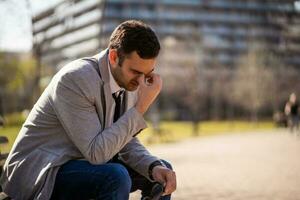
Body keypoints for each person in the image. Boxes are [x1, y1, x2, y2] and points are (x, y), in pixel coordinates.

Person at [0, 20, 176, 200]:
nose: (141, 82)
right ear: (114, 57)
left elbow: (124, 139)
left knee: (161, 173)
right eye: (135, 72)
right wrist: (139, 109)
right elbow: (96, 154)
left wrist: (153, 166)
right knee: (115, 177)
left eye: (147, 74)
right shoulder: (76, 80)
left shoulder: (128, 82)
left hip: (81, 163)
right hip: (43, 170)